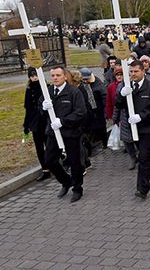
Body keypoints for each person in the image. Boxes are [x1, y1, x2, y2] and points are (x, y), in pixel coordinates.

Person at [115, 60, 150, 199]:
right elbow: (119, 105)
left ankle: (142, 188)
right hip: (133, 128)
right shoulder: (126, 86)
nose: (133, 74)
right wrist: (121, 94)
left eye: (136, 71)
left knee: (143, 157)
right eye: (131, 71)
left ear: (143, 71)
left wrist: (141, 116)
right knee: (146, 154)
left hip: (149, 128)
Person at [41, 66, 87, 202]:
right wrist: (43, 107)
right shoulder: (48, 91)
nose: (55, 78)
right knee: (49, 160)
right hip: (53, 133)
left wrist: (63, 121)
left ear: (65, 76)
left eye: (58, 75)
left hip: (70, 132)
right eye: (53, 75)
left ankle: (77, 189)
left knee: (74, 162)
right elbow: (40, 109)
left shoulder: (74, 92)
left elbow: (80, 112)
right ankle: (66, 181)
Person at [23, 67, 50, 181]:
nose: (34, 77)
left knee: (49, 145)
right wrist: (26, 124)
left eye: (36, 75)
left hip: (46, 120)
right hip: (35, 121)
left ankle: (55, 163)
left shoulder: (46, 87)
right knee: (39, 147)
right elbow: (28, 108)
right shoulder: (29, 89)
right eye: (32, 75)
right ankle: (45, 169)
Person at [80, 67, 108, 150]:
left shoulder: (97, 83)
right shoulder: (82, 84)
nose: (85, 81)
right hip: (88, 110)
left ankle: (104, 143)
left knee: (101, 127)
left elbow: (104, 96)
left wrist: (105, 110)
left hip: (98, 110)